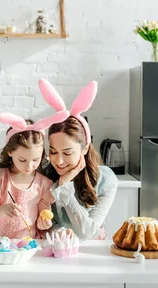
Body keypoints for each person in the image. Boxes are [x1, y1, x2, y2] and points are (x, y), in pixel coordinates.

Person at [36, 78, 119, 241]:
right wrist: (51, 228)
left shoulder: (106, 180)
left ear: (85, 148)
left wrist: (64, 187)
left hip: (91, 254)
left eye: (67, 153)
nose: (58, 161)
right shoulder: (44, 175)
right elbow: (44, 224)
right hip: (55, 250)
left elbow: (88, 232)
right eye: (53, 152)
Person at [0, 112, 66, 239]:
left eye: (36, 160)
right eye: (22, 160)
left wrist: (44, 224)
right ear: (10, 151)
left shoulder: (44, 184)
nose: (29, 166)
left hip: (27, 246)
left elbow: (43, 215)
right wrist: (2, 210)